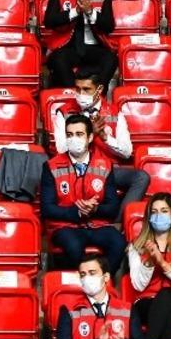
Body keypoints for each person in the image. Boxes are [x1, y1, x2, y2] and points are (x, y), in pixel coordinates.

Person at [52, 68, 151, 205]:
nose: (81, 94)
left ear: (99, 90)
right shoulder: (64, 112)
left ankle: (120, 222)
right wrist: (88, 133)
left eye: (87, 89)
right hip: (76, 168)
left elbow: (127, 152)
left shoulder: (115, 112)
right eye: (78, 89)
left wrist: (105, 138)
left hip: (108, 169)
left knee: (141, 177)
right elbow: (61, 150)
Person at [42, 114, 127, 272]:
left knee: (119, 242)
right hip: (64, 227)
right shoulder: (51, 166)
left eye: (79, 134)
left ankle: (103, 282)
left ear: (90, 138)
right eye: (69, 135)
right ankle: (81, 285)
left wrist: (94, 209)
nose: (73, 139)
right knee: (74, 246)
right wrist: (76, 211)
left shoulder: (105, 165)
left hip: (97, 225)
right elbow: (47, 208)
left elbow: (113, 206)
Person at [126, 193, 171, 339]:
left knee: (166, 294)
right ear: (149, 216)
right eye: (154, 211)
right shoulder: (137, 245)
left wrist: (164, 264)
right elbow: (138, 285)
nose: (159, 215)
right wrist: (150, 263)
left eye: (164, 211)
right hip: (147, 303)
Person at [42, 0, 117, 87]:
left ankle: (96, 97)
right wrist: (76, 11)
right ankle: (73, 97)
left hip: (94, 46)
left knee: (110, 59)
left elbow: (109, 26)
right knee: (58, 60)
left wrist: (89, 11)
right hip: (66, 46)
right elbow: (49, 21)